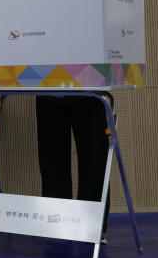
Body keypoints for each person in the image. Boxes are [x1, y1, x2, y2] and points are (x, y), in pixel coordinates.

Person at [35, 93, 112, 241]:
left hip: (90, 89)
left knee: (94, 160)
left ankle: (92, 226)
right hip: (48, 89)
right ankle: (57, 225)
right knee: (51, 162)